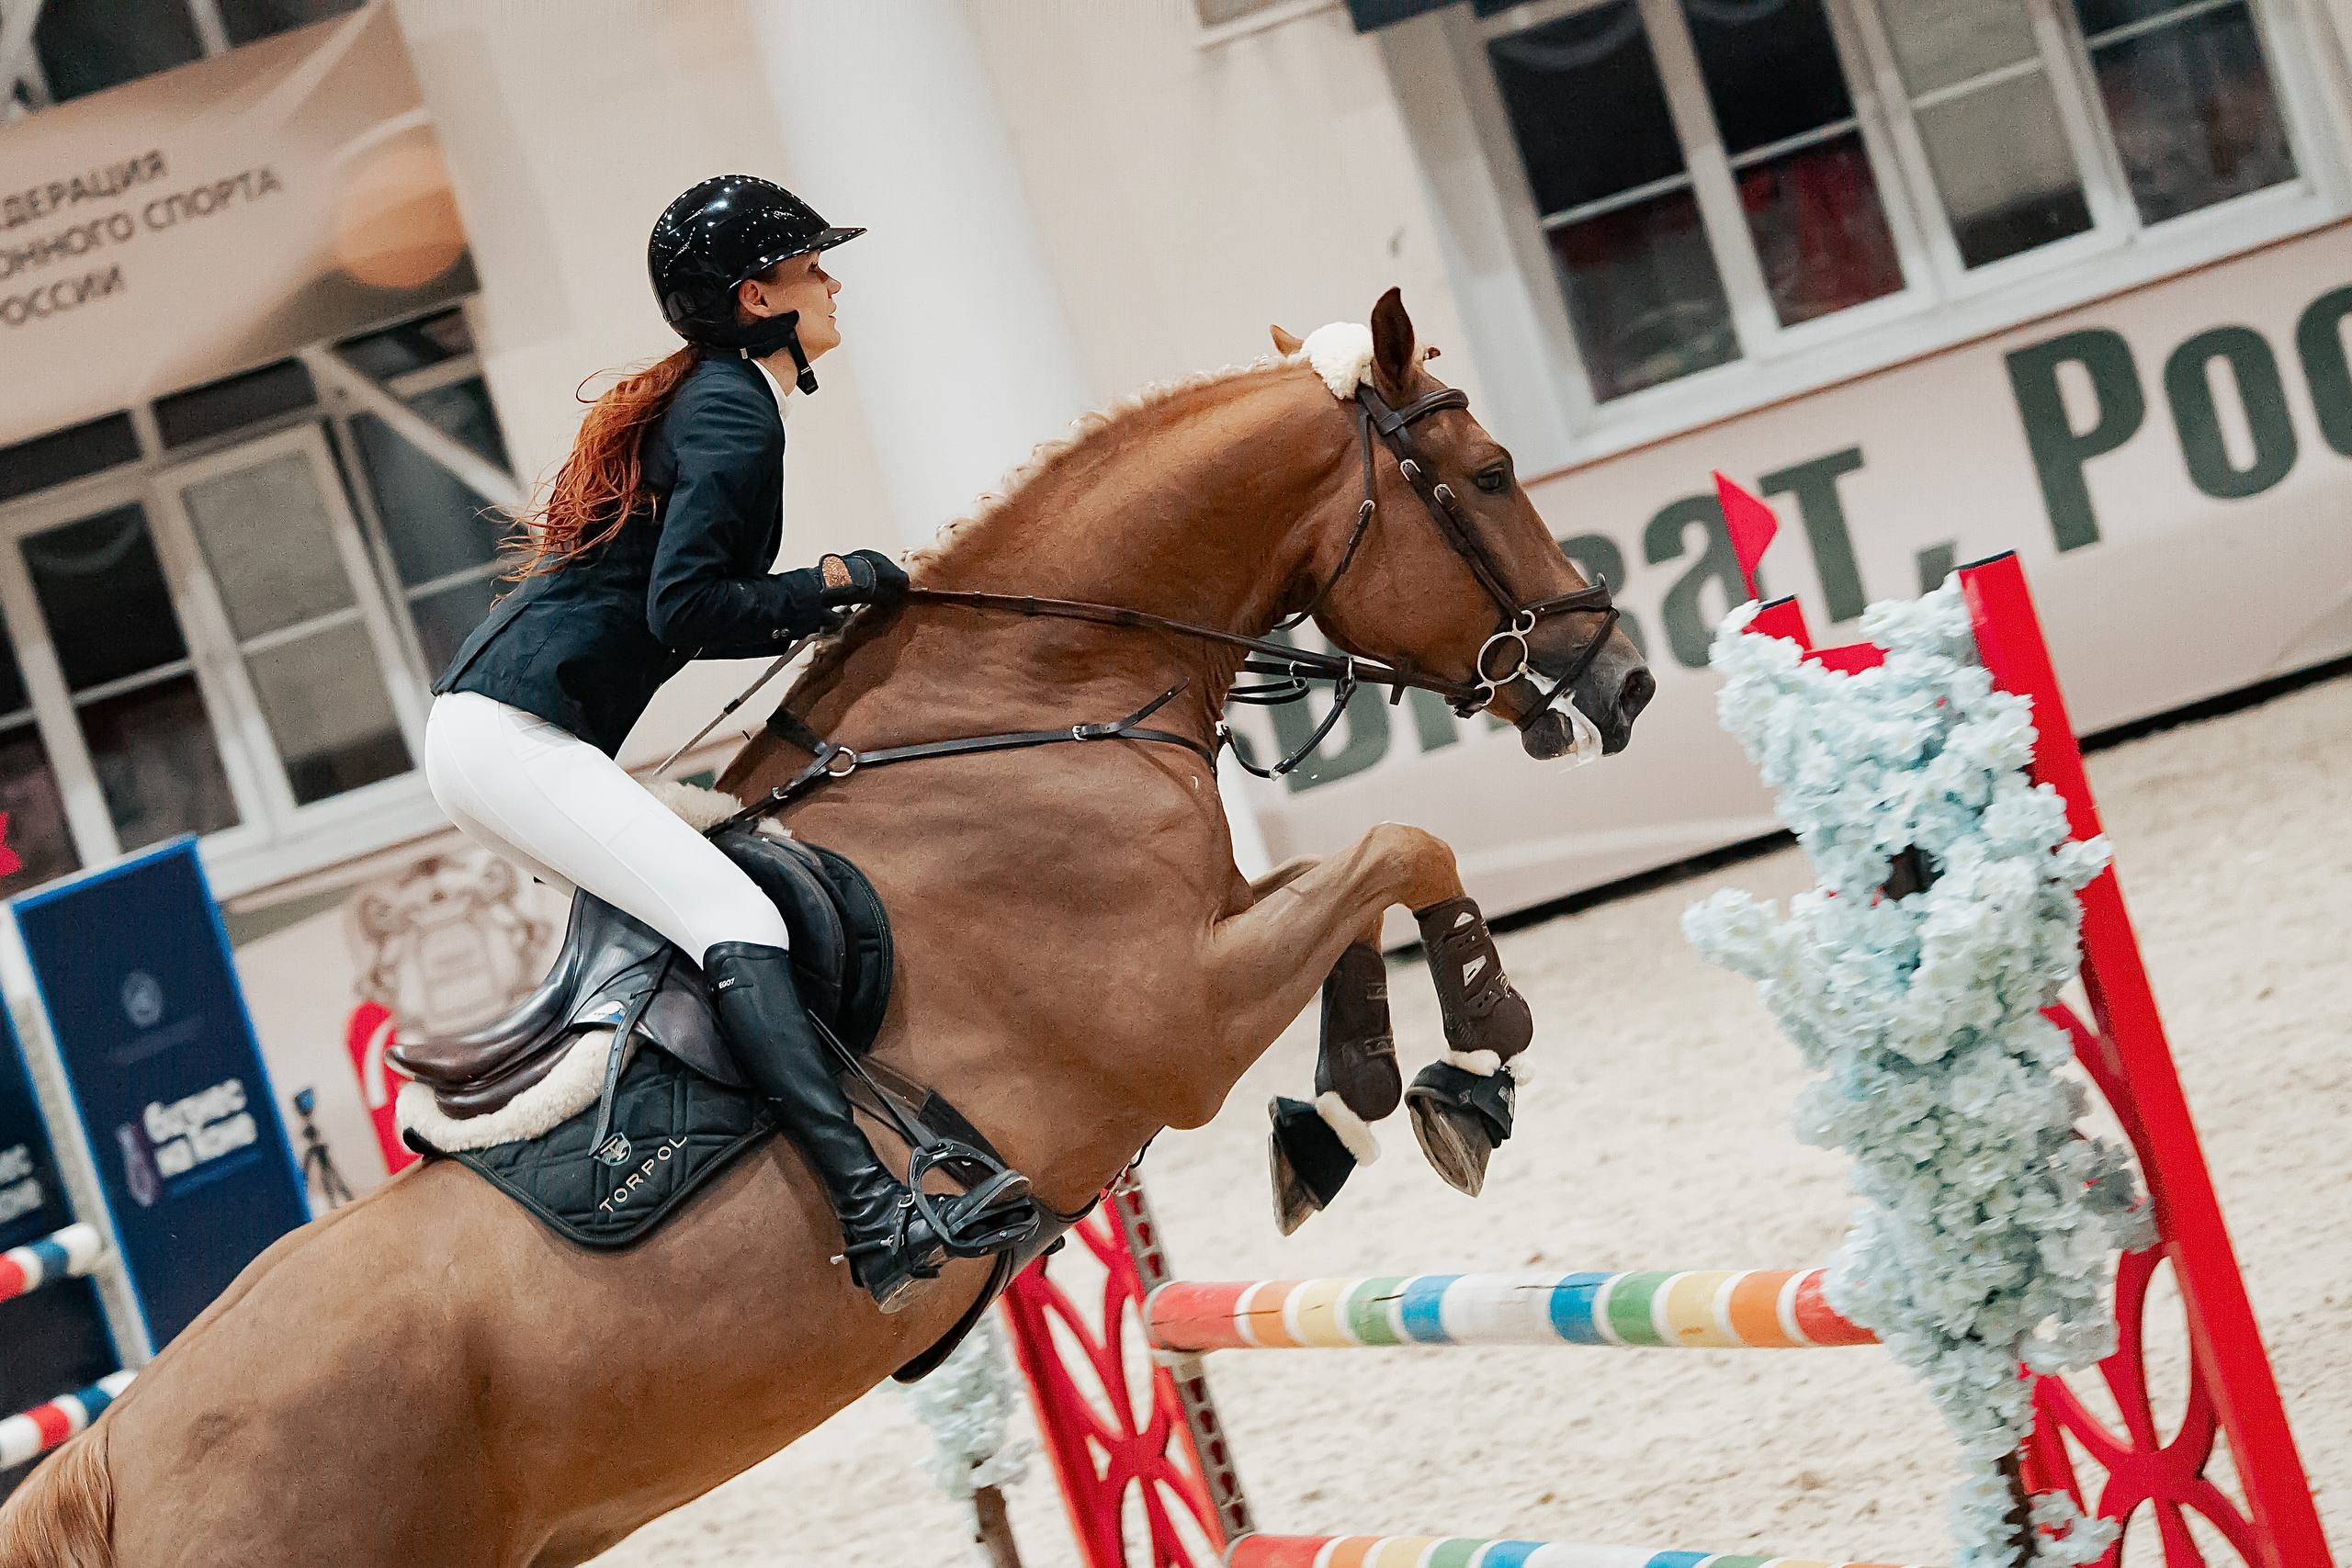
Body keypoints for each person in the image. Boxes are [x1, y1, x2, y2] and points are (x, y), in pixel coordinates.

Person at [423, 175, 1019, 1312]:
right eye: (812, 267)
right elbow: (686, 609)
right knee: (735, 919)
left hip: (502, 730)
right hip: (511, 734)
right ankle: (872, 1211)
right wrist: (827, 581)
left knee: (708, 914)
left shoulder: (714, 394)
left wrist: (815, 593)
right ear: (759, 297)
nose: (832, 279)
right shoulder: (733, 407)